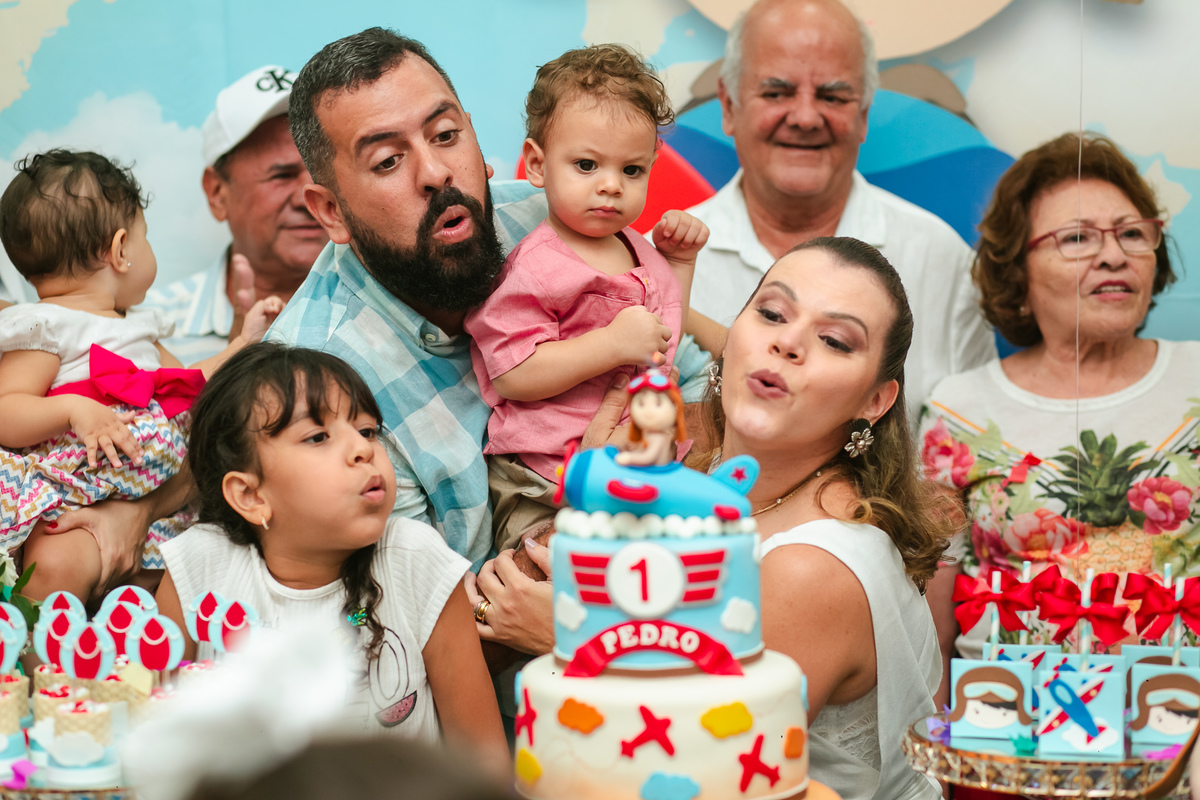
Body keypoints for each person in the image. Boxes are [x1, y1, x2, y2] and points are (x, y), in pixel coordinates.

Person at [468, 237, 953, 800]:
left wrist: (573, 634)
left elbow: (701, 770)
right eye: (771, 313)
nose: (787, 342)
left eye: (834, 340)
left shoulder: (810, 566)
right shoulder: (703, 473)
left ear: (876, 400)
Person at [920, 133, 1195, 706]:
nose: (1114, 255)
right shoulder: (957, 410)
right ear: (1017, 273)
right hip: (1006, 750)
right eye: (1076, 238)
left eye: (1132, 234)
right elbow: (932, 622)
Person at [156, 343, 508, 773]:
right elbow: (162, 748)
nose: (363, 450)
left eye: (367, 430)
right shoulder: (200, 567)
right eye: (318, 436)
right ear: (250, 495)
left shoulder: (417, 561)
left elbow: (483, 763)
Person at [687, 0, 996, 419]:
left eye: (833, 96)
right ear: (728, 105)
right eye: (777, 92)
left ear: (864, 113)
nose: (806, 117)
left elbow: (968, 445)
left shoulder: (939, 257)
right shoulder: (664, 263)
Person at [0, 149, 280, 602]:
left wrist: (243, 344)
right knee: (55, 565)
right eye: (146, 238)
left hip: (154, 505)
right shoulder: (45, 327)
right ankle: (40, 666)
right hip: (72, 505)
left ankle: (138, 661)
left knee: (184, 577)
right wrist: (72, 408)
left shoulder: (138, 327)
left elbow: (186, 383)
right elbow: (6, 411)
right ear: (121, 250)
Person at [463, 44, 708, 552]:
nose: (612, 186)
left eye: (632, 170)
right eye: (587, 165)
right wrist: (611, 346)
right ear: (536, 163)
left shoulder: (638, 250)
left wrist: (678, 265)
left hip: (643, 460)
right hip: (547, 480)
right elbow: (514, 372)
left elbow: (665, 335)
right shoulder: (535, 265)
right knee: (553, 574)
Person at [141, 65, 327, 363]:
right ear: (217, 192)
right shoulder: (146, 333)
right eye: (281, 175)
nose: (309, 196)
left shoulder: (385, 312)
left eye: (320, 172)